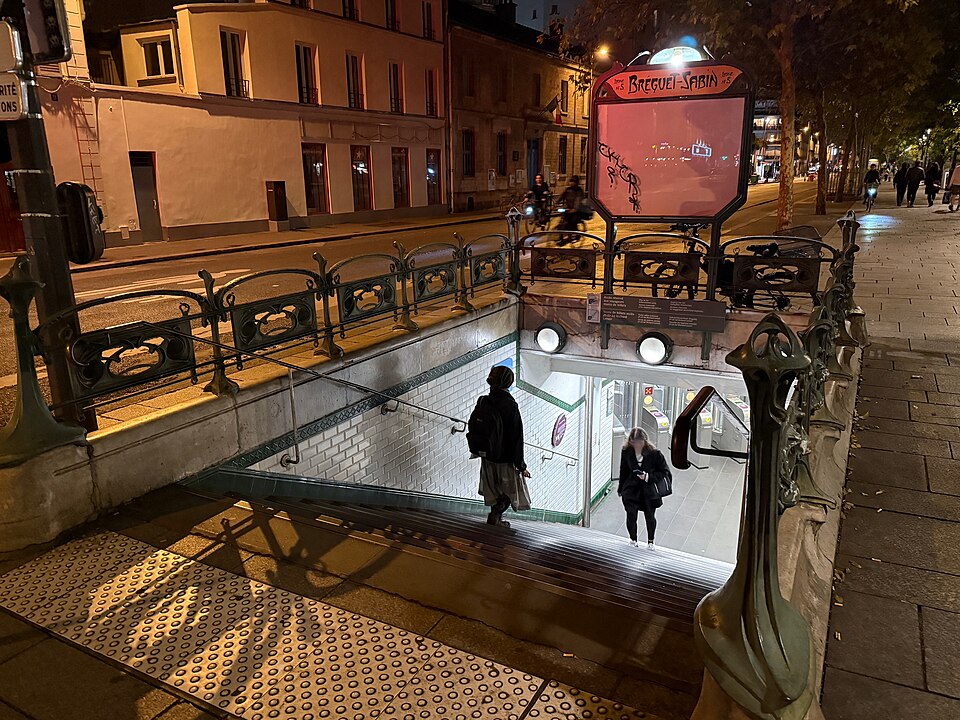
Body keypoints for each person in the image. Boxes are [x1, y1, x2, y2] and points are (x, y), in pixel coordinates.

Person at [476, 365, 531, 528]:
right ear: (509, 382)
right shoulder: (510, 406)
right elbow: (516, 439)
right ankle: (495, 517)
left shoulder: (484, 401)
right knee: (508, 492)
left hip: (488, 456)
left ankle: (495, 516)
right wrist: (521, 466)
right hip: (505, 459)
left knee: (495, 489)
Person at [617, 427, 671, 549]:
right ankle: (633, 540)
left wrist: (647, 477)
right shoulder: (626, 452)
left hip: (649, 491)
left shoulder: (655, 454)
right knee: (631, 516)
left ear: (644, 441)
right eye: (634, 442)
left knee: (650, 517)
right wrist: (621, 488)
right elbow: (623, 470)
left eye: (639, 442)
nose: (636, 445)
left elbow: (664, 472)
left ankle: (650, 542)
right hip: (631, 490)